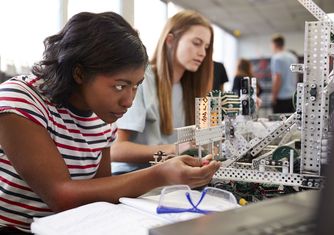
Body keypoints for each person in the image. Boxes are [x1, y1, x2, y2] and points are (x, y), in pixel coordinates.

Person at [0, 12, 220, 233]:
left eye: (136, 86)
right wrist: (161, 174)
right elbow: (61, 196)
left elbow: (101, 190)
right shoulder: (20, 100)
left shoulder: (102, 112)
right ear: (79, 73)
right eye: (120, 86)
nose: (129, 101)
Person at [111, 10, 214, 174]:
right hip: (133, 179)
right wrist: (174, 149)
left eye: (206, 47)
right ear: (170, 40)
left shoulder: (188, 89)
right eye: (196, 43)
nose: (202, 53)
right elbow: (116, 150)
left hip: (169, 178)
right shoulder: (142, 80)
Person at [270, 34, 298, 113]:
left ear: (274, 44)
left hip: (281, 98)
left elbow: (277, 78)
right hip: (292, 96)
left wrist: (273, 97)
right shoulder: (293, 57)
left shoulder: (276, 58)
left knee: (279, 123)